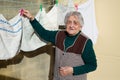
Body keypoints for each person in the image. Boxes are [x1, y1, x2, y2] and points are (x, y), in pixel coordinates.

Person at [22, 9, 97, 80]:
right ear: (65, 24)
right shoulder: (59, 35)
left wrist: (73, 70)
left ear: (80, 26)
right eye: (69, 22)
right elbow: (43, 33)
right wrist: (32, 18)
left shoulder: (85, 42)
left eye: (75, 23)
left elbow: (92, 66)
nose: (71, 25)